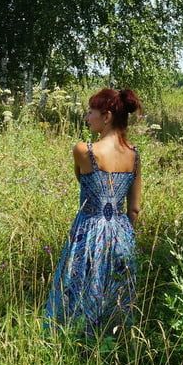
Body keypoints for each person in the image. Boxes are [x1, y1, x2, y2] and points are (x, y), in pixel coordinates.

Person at [44, 87, 143, 337]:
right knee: (116, 291)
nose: (87, 118)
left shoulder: (84, 151)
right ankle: (112, 339)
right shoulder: (134, 155)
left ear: (107, 116)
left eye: (91, 112)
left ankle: (74, 338)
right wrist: (124, 235)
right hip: (121, 231)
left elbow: (82, 181)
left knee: (77, 287)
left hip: (89, 229)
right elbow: (134, 208)